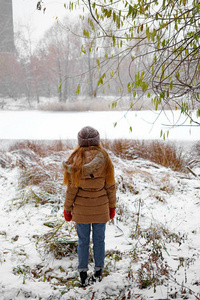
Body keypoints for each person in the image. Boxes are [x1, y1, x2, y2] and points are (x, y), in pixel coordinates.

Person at [63, 126, 116, 287]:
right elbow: (110, 185)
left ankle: (83, 273)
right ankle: (99, 271)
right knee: (99, 240)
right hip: (101, 208)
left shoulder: (74, 159)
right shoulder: (105, 158)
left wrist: (67, 208)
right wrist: (112, 206)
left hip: (81, 210)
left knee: (83, 242)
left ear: (80, 141)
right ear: (97, 140)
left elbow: (72, 188)